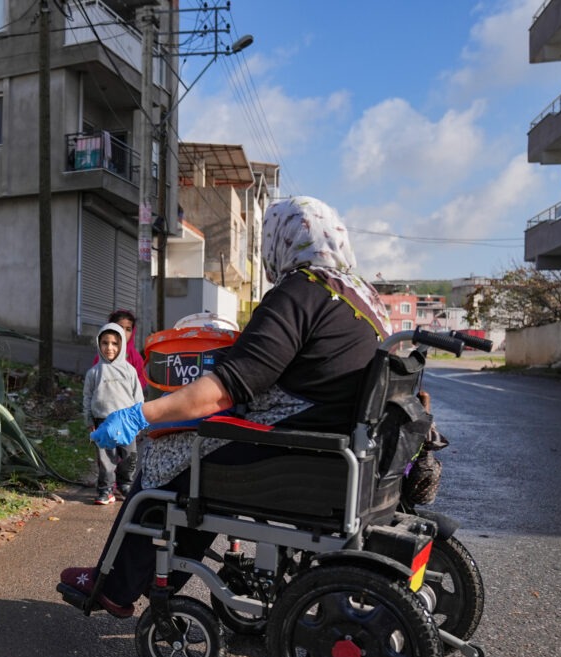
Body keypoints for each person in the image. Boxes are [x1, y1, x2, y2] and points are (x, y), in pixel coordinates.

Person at [60, 196, 393, 617]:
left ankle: (114, 585)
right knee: (195, 460)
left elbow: (226, 387)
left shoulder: (302, 292)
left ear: (282, 239)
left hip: (296, 449)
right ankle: (148, 574)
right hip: (335, 446)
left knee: (166, 455)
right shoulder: (363, 298)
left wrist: (141, 415)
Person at [83, 322, 144, 505]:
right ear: (99, 344)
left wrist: (138, 421)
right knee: (105, 458)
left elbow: (138, 397)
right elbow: (87, 396)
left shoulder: (129, 371)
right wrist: (88, 419)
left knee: (128, 456)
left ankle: (125, 485)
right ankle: (105, 489)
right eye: (105, 343)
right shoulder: (94, 372)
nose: (109, 348)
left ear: (122, 345)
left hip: (126, 422)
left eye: (115, 343)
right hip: (103, 421)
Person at [92, 308, 149, 390]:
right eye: (119, 327)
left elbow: (142, 377)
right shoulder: (103, 355)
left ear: (133, 332)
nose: (123, 332)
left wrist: (131, 388)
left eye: (128, 329)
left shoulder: (135, 357)